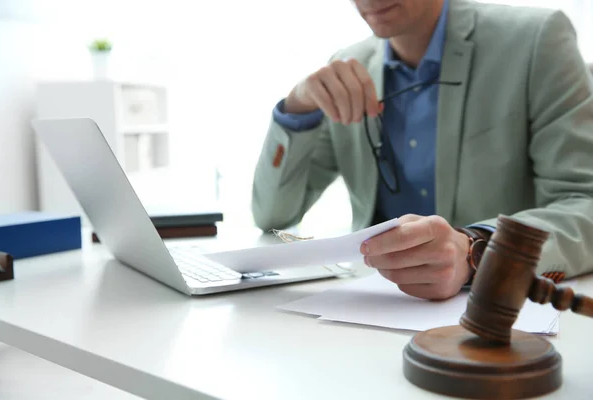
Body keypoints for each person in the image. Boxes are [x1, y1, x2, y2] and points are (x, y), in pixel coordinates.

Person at [251, 0, 593, 300]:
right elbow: (273, 216)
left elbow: (585, 205)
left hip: (498, 313)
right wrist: (297, 108)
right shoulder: (346, 67)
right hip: (371, 307)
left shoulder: (535, 39)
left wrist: (478, 249)